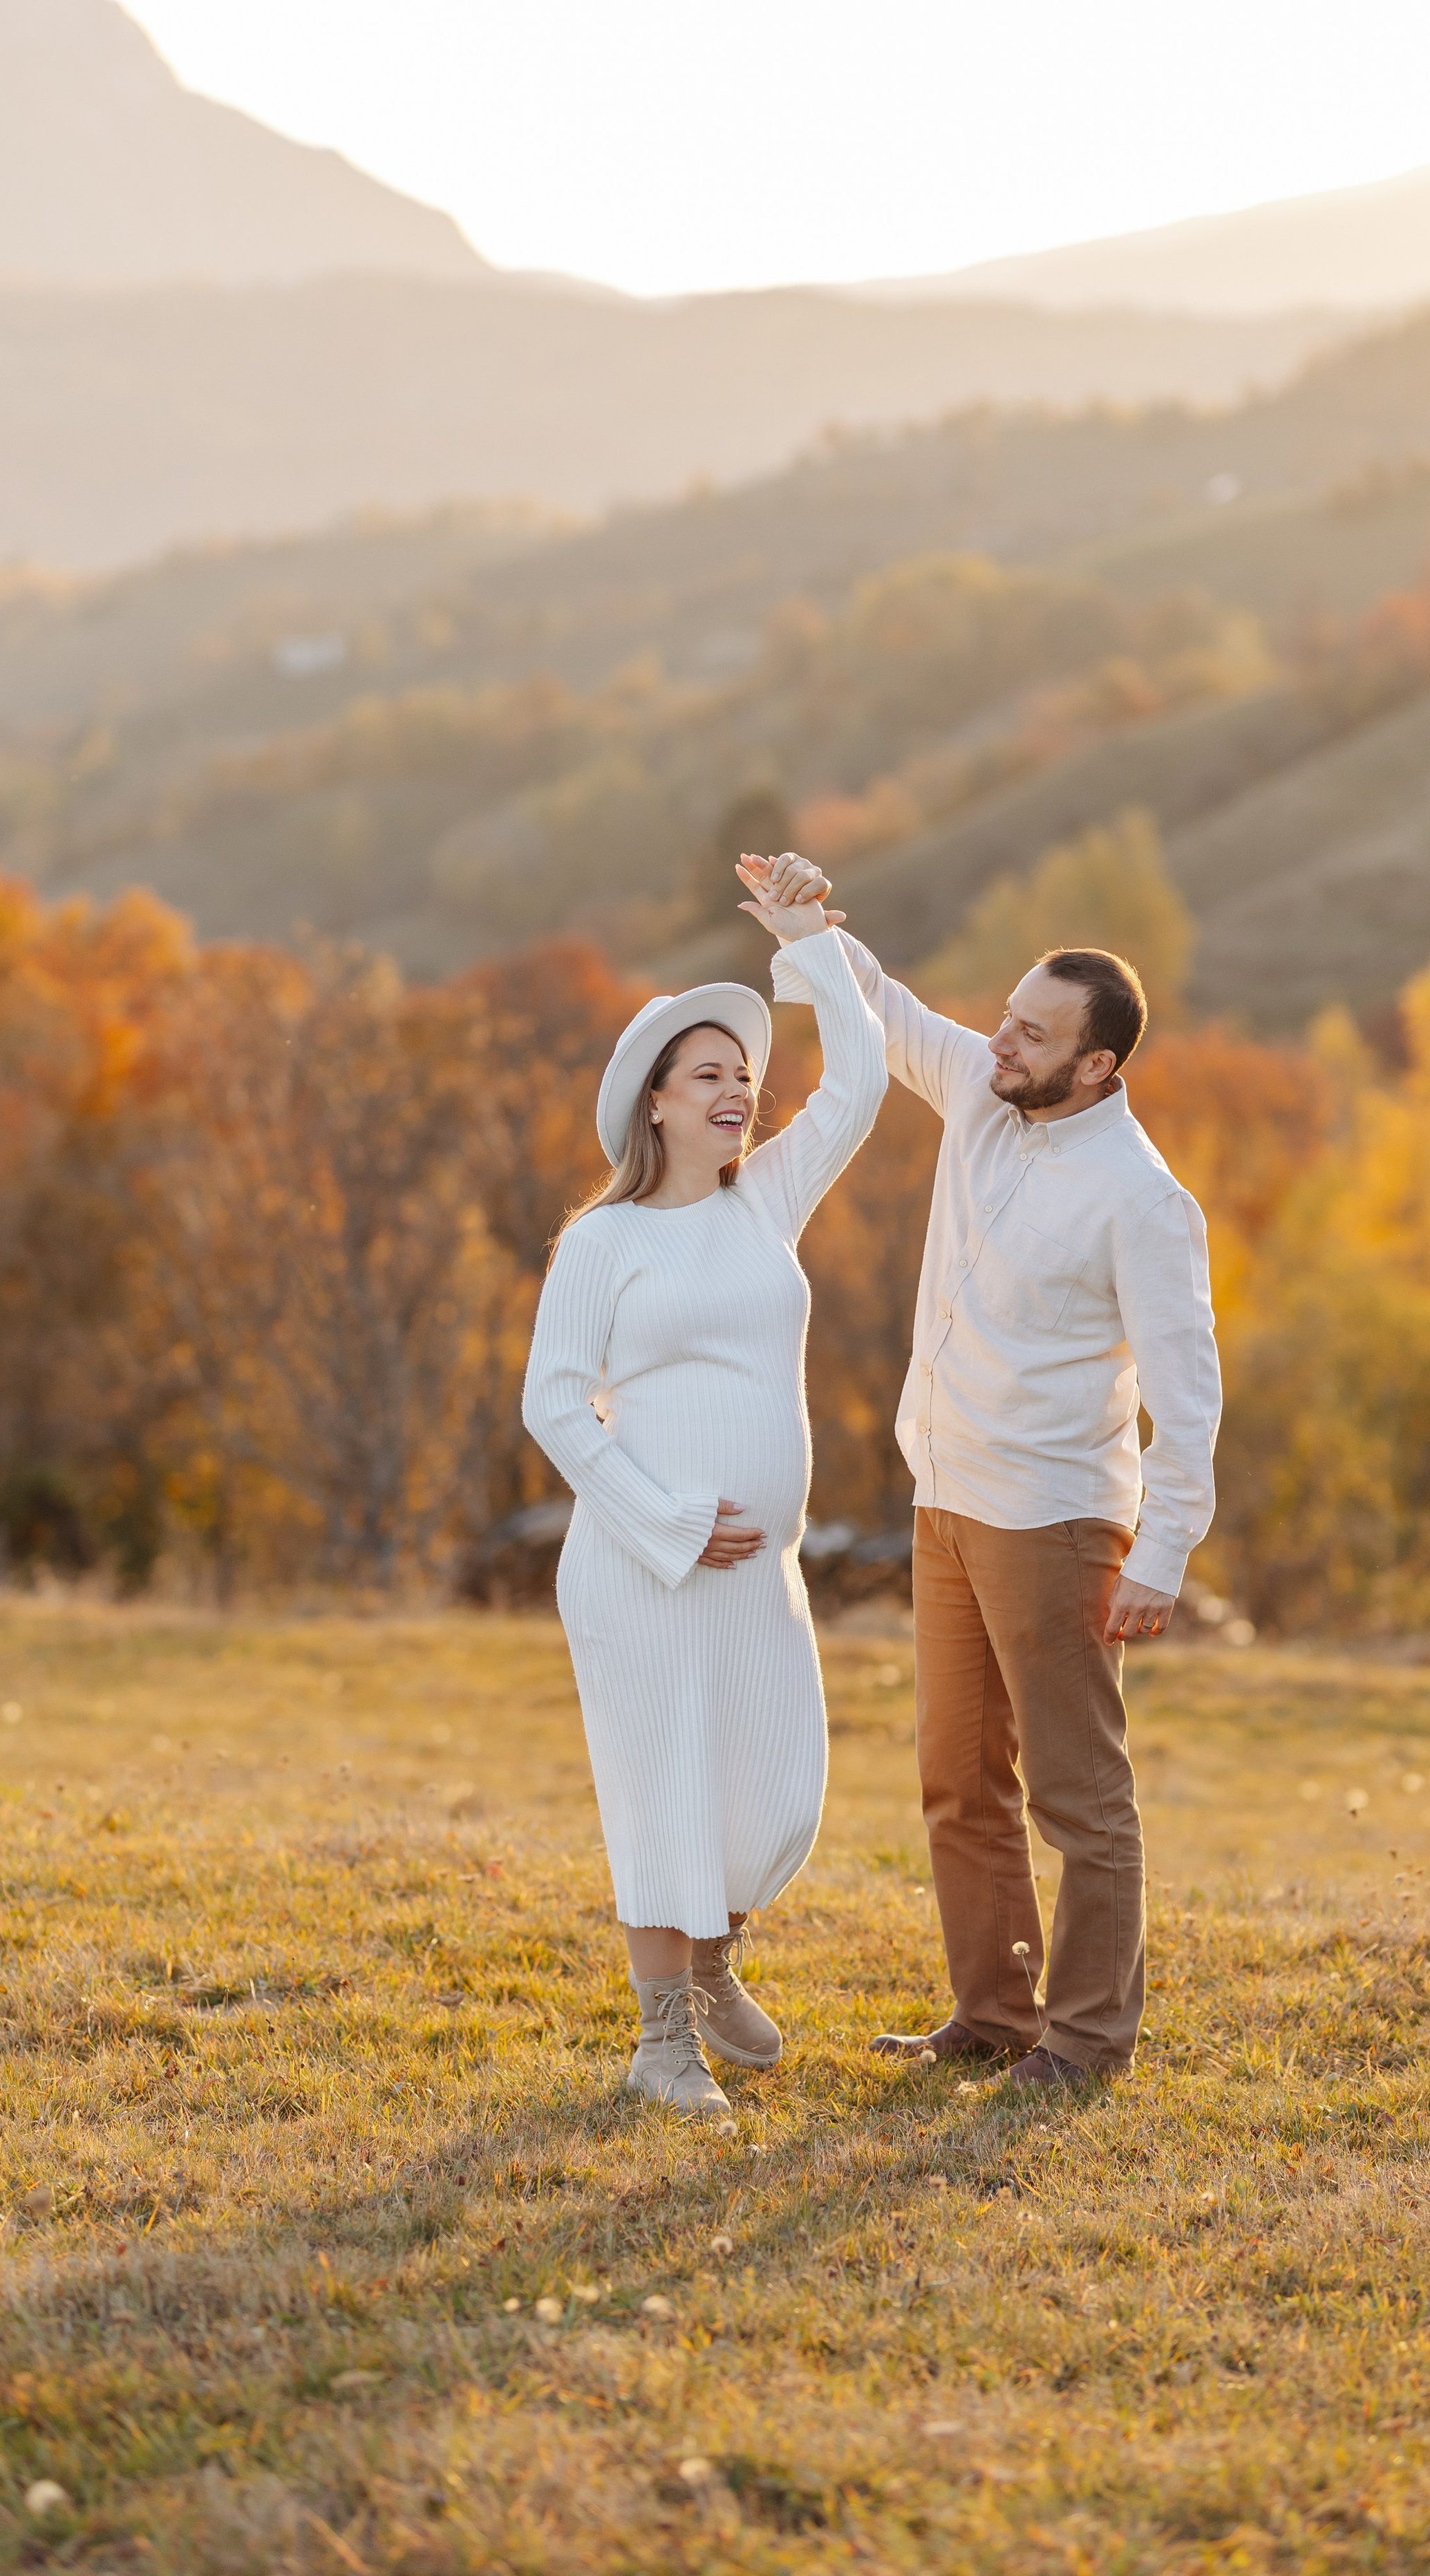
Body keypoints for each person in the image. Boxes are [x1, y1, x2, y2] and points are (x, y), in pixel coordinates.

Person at [749, 850, 1221, 2087]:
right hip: (945, 1500)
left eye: (1030, 1033)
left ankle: (1086, 2044)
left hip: (1058, 1522)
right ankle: (996, 2017)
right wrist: (805, 926)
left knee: (1079, 1796)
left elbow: (1190, 1399)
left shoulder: (1145, 1200)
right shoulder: (980, 1088)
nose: (998, 1040)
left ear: (1098, 1066)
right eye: (1005, 1019)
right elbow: (884, 1010)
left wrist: (1160, 1556)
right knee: (958, 1780)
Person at [520, 858, 887, 2118]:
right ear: (659, 1106)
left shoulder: (766, 1206)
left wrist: (809, 942)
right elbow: (554, 1403)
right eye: (712, 1076)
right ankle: (662, 2041)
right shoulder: (604, 1241)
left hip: (762, 1572)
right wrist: (672, 1525)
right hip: (641, 1569)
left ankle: (718, 1954)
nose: (740, 1093)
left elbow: (862, 1084)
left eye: (746, 1075)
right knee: (663, 1783)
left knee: (777, 1788)